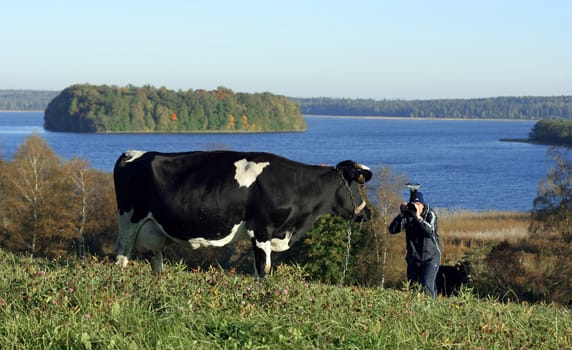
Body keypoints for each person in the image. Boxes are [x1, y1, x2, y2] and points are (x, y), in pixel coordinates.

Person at [388, 190, 441, 298]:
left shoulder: (430, 214)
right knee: (412, 287)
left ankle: (431, 309)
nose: (416, 207)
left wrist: (419, 218)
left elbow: (430, 231)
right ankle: (414, 311)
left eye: (418, 205)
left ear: (423, 204)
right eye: (414, 205)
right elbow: (392, 230)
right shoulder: (407, 215)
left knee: (427, 284)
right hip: (413, 257)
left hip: (431, 257)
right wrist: (401, 214)